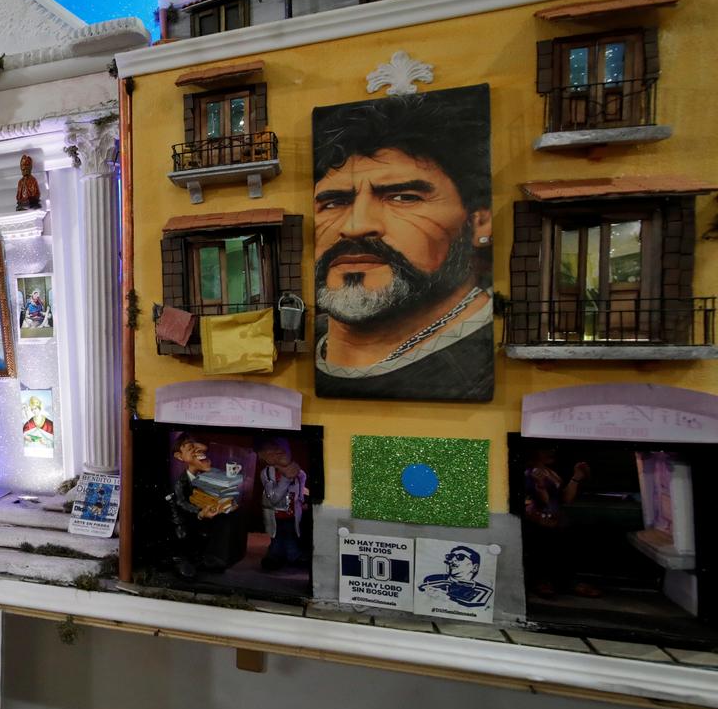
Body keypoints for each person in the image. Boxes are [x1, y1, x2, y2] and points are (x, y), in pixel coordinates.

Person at [311, 88, 495, 400]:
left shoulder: (479, 367)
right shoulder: (310, 341)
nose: (355, 227)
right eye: (333, 203)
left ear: (479, 222)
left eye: (403, 198)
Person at [522, 445, 602, 599]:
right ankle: (542, 582)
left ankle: (564, 581)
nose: (551, 451)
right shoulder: (530, 473)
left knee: (562, 550)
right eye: (545, 448)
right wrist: (540, 487)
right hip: (539, 521)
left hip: (555, 521)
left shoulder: (550, 473)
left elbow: (565, 499)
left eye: (552, 449)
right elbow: (543, 501)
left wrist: (576, 477)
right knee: (542, 551)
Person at [167, 434, 238, 581]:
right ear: (180, 457)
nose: (198, 451)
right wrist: (199, 513)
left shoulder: (206, 476)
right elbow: (181, 503)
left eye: (198, 447)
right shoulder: (181, 482)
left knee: (205, 534)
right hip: (185, 520)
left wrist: (225, 503)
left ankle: (199, 558)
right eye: (191, 448)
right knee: (185, 535)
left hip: (202, 519)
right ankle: (181, 559)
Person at [255, 436, 307, 571]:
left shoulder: (298, 472)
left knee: (291, 536)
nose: (278, 453)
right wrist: (285, 478)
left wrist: (302, 500)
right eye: (271, 452)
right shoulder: (267, 473)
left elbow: (301, 488)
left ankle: (292, 556)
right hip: (276, 514)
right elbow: (273, 498)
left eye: (281, 450)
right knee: (277, 537)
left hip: (292, 513)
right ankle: (276, 557)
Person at [418, 545, 495, 609]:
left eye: (460, 557)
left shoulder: (483, 591)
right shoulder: (431, 580)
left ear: (474, 568)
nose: (452, 560)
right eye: (450, 556)